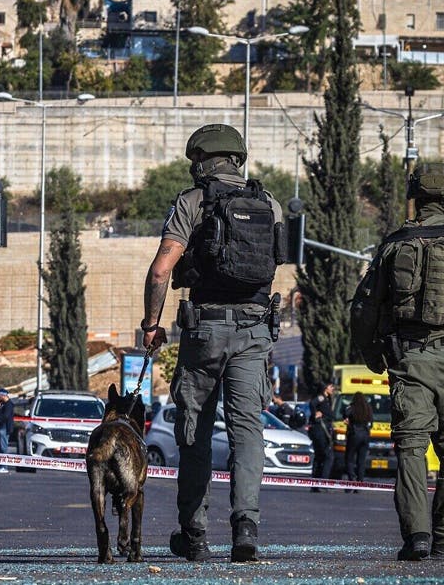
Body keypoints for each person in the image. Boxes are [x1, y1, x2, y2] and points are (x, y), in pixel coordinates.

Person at [140, 124, 285, 563]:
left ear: (200, 161)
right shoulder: (271, 204)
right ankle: (246, 530)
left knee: (195, 432)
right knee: (248, 432)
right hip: (256, 329)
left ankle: (195, 534)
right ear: (238, 159)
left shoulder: (192, 202)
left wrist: (151, 324)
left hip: (204, 329)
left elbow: (162, 269)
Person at [350, 162, 444, 561]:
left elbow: (363, 307)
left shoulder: (394, 245)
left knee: (411, 448)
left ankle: (418, 536)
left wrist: (372, 354)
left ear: (415, 196)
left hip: (409, 358)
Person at [308, 382, 337, 491]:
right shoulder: (321, 398)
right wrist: (316, 413)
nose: (332, 388)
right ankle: (323, 483)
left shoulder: (328, 399)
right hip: (320, 430)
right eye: (331, 387)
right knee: (328, 456)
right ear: (325, 388)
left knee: (319, 457)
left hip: (321, 430)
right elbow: (312, 403)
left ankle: (315, 484)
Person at [344, 391, 373, 490]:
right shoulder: (368, 408)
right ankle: (360, 482)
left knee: (350, 458)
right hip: (365, 435)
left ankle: (352, 480)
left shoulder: (352, 407)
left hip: (354, 435)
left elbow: (345, 414)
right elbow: (371, 423)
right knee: (361, 460)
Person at [0, 388, 14, 473]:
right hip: (2, 427)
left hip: (4, 427)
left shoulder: (8, 405)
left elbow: (5, 416)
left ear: (2, 395)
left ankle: (4, 466)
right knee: (0, 447)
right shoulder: (4, 404)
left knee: (3, 447)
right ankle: (1, 465)